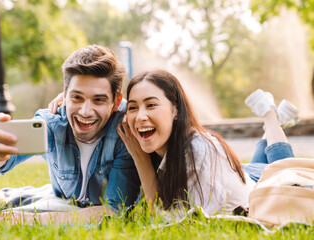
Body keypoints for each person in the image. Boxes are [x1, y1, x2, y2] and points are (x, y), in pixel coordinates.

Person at [0, 45, 140, 224]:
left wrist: (27, 219)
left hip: (69, 208)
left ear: (116, 101)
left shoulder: (126, 131)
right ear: (64, 95)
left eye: (99, 100)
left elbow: (114, 211)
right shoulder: (51, 124)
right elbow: (0, 163)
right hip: (63, 202)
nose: (86, 111)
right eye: (77, 97)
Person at [116, 70, 298, 215]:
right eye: (132, 107)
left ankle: (270, 116)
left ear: (176, 110)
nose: (139, 116)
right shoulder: (157, 151)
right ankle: (274, 121)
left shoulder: (197, 150)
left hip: (262, 189)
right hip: (243, 174)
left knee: (288, 174)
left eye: (151, 105)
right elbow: (159, 206)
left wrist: (140, 159)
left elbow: (169, 221)